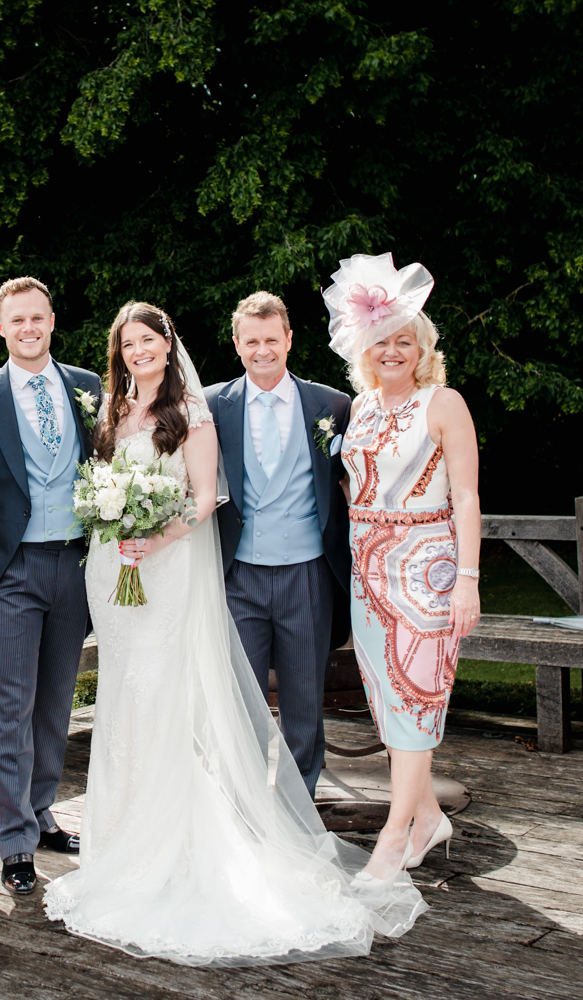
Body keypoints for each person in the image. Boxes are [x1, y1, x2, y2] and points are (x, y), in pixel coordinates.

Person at [44, 301, 427, 966]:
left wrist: (154, 536)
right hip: (128, 574)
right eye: (129, 344)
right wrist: (114, 523)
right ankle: (135, 835)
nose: (140, 352)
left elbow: (209, 496)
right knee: (133, 701)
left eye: (149, 341)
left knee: (236, 702)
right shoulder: (120, 410)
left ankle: (273, 829)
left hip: (219, 569)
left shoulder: (282, 407)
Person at [324, 252, 481, 883]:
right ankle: (428, 818)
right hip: (367, 574)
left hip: (427, 572)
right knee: (388, 700)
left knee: (418, 695)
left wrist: (468, 580)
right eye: (382, 340)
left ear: (423, 349)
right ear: (365, 347)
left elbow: (466, 497)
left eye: (405, 341)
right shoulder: (359, 408)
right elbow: (348, 485)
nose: (393, 351)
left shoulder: (445, 403)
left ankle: (394, 834)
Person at [0, 276, 103, 895]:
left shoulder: (88, 388)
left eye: (37, 317)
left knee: (56, 703)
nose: (28, 328)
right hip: (10, 570)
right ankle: (14, 843)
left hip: (75, 565)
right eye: (17, 320)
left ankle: (41, 814)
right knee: (9, 709)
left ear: (52, 320)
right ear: (1, 327)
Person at [205, 292, 351, 798]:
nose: (262, 350)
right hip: (238, 575)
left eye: (271, 339)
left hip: (307, 573)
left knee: (304, 702)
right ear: (236, 344)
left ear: (289, 339)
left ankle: (298, 807)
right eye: (251, 342)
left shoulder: (331, 405)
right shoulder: (211, 405)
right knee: (241, 701)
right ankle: (244, 807)